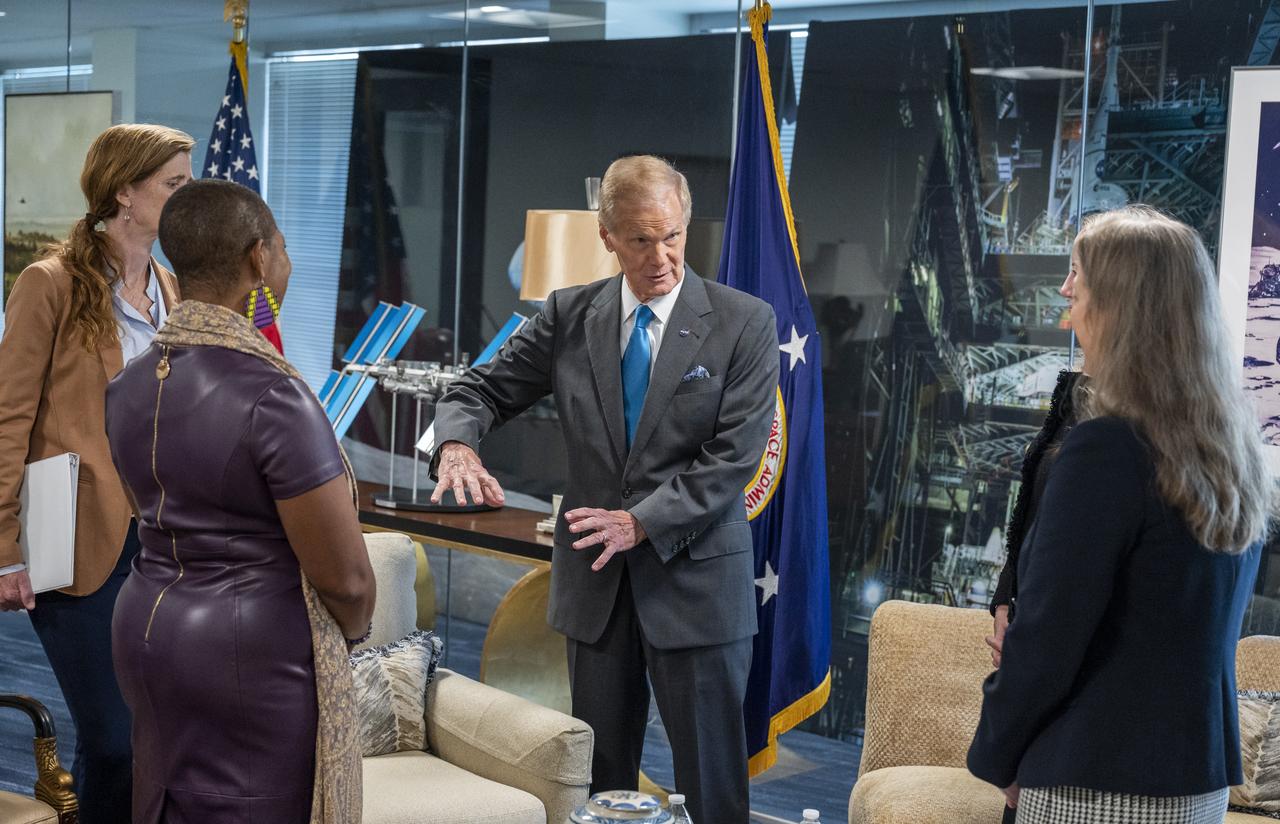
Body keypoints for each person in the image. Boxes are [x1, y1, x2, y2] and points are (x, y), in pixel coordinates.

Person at [429, 154, 778, 823]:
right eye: (641, 240)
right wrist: (457, 445)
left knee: (711, 789)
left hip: (698, 584)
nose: (662, 257)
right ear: (607, 235)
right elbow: (478, 389)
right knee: (600, 788)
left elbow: (733, 457)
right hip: (597, 586)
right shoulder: (568, 314)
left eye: (672, 236)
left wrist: (641, 521)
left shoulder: (744, 322)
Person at [967, 206, 1273, 823]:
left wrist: (996, 756)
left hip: (1094, 780)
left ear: (1122, 301)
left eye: (1077, 272)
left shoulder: (1108, 448)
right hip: (1199, 786)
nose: (1065, 290)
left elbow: (1049, 637)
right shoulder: (1233, 454)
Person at [105, 179, 375, 822]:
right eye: (282, 247)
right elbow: (345, 579)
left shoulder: (128, 384)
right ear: (258, 258)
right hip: (248, 656)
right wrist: (356, 632)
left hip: (145, 628)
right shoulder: (276, 396)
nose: (287, 263)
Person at [0, 123, 194, 823]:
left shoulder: (171, 287)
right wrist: (4, 550)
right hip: (77, 538)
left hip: (165, 541)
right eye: (174, 184)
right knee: (114, 737)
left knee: (149, 736)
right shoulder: (48, 283)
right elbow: (8, 419)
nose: (187, 196)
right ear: (124, 192)